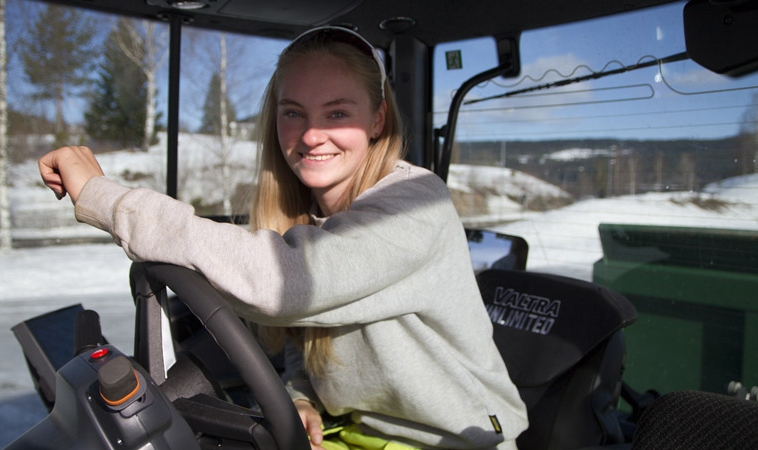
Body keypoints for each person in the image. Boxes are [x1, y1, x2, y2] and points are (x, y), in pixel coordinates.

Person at [38, 26, 528, 450]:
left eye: (338, 113)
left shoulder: (419, 202)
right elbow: (312, 335)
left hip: (457, 438)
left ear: (377, 120)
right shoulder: (308, 217)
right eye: (293, 112)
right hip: (352, 431)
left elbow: (287, 286)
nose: (312, 134)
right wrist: (300, 396)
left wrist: (106, 199)